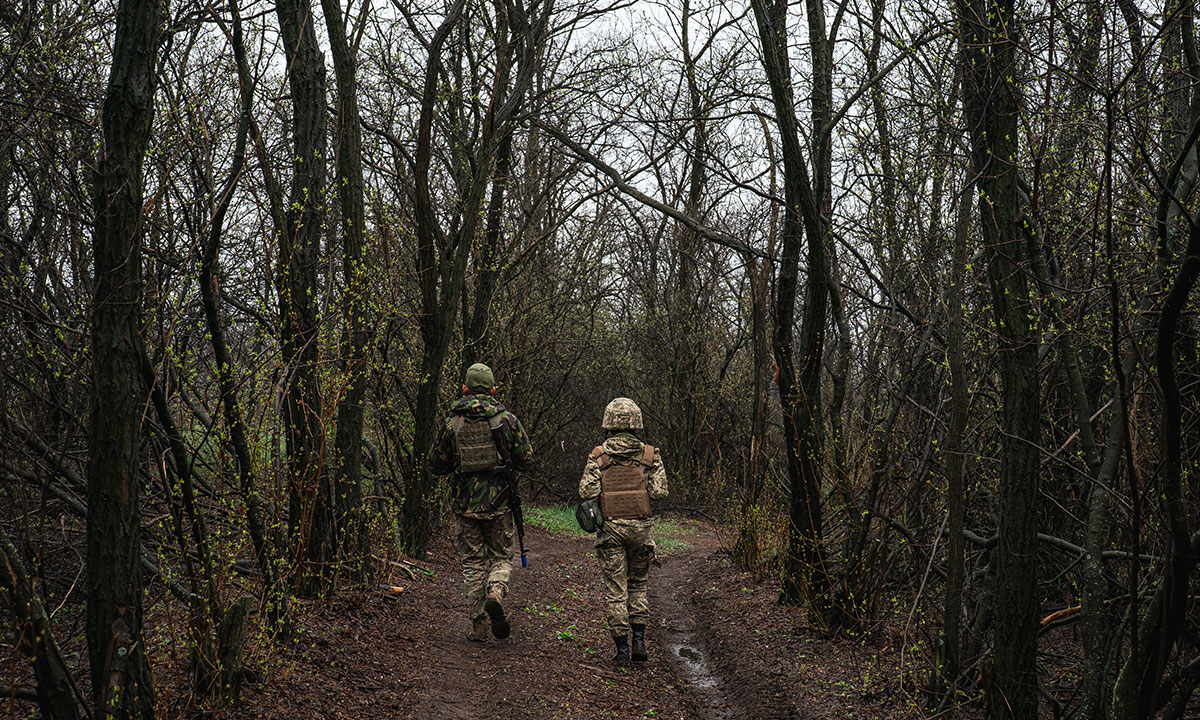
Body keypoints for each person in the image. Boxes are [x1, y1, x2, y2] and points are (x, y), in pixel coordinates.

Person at [431, 363, 534, 642]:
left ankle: (478, 626)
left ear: (464, 389)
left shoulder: (452, 423)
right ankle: (496, 593)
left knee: (472, 563)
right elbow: (527, 459)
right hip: (499, 505)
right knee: (501, 558)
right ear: (492, 390)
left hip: (466, 506)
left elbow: (436, 465)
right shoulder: (507, 419)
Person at [577, 397, 668, 664]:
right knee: (638, 585)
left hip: (611, 530)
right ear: (636, 423)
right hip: (642, 529)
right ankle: (639, 640)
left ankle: (621, 650)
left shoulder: (599, 456)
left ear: (609, 423)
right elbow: (660, 492)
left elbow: (586, 491)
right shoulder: (650, 455)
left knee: (616, 590)